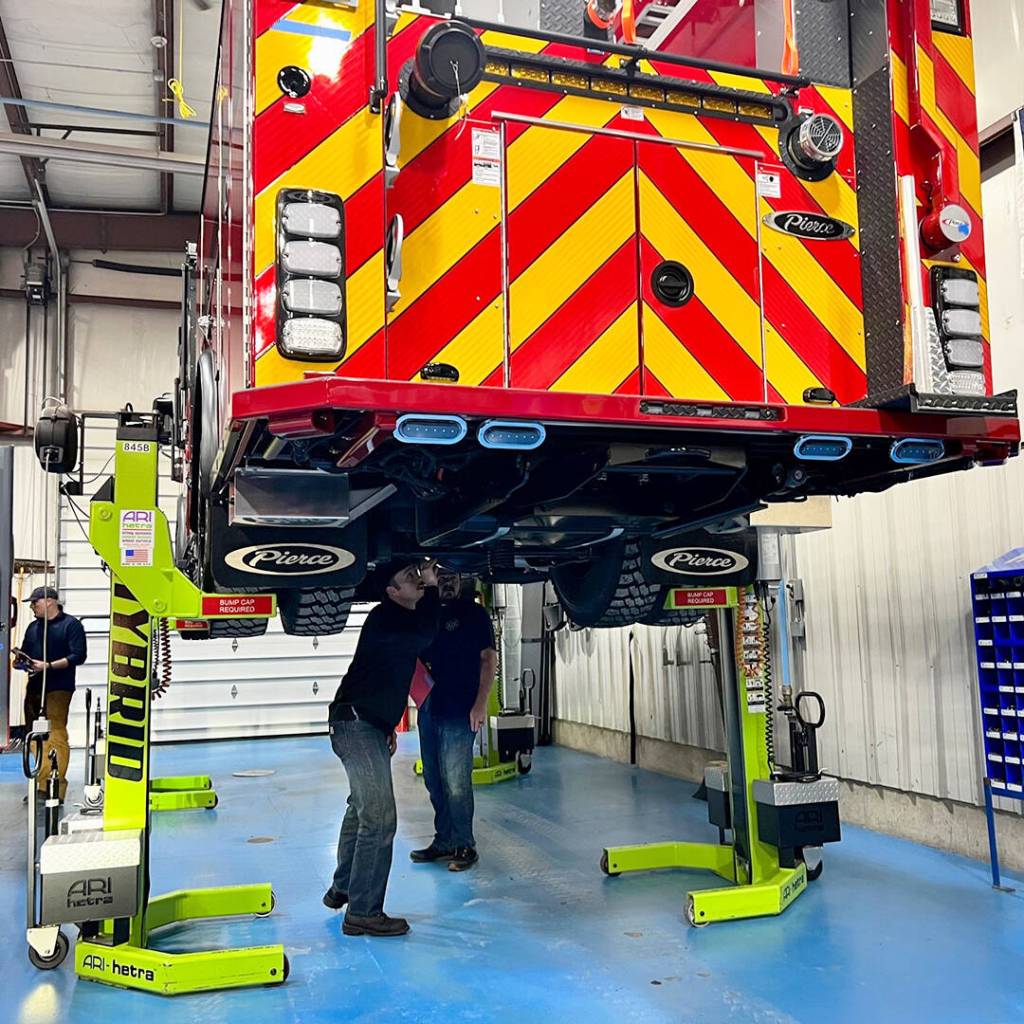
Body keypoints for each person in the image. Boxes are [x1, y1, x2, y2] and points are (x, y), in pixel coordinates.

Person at [325, 559, 440, 937]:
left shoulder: (395, 619)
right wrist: (435, 587)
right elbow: (427, 634)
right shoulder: (386, 617)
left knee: (361, 810)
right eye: (409, 577)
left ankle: (344, 886)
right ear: (391, 592)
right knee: (380, 818)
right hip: (357, 723)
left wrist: (386, 725)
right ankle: (363, 912)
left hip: (365, 723)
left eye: (416, 574)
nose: (416, 578)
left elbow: (387, 674)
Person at [411, 571, 497, 872]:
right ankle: (445, 840)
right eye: (441, 576)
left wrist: (481, 703)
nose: (448, 583)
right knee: (434, 779)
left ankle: (464, 844)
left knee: (456, 782)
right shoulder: (424, 611)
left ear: (461, 580)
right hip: (429, 708)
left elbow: (488, 659)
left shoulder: (474, 614)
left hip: (461, 709)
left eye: (453, 577)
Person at [18, 586, 88, 802]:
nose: (32, 607)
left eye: (34, 603)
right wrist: (21, 662)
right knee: (34, 735)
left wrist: (48, 665)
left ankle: (54, 787)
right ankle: (42, 782)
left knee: (55, 733)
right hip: (35, 687)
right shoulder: (33, 628)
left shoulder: (71, 625)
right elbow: (26, 652)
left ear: (50, 601)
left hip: (59, 687)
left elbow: (78, 656)